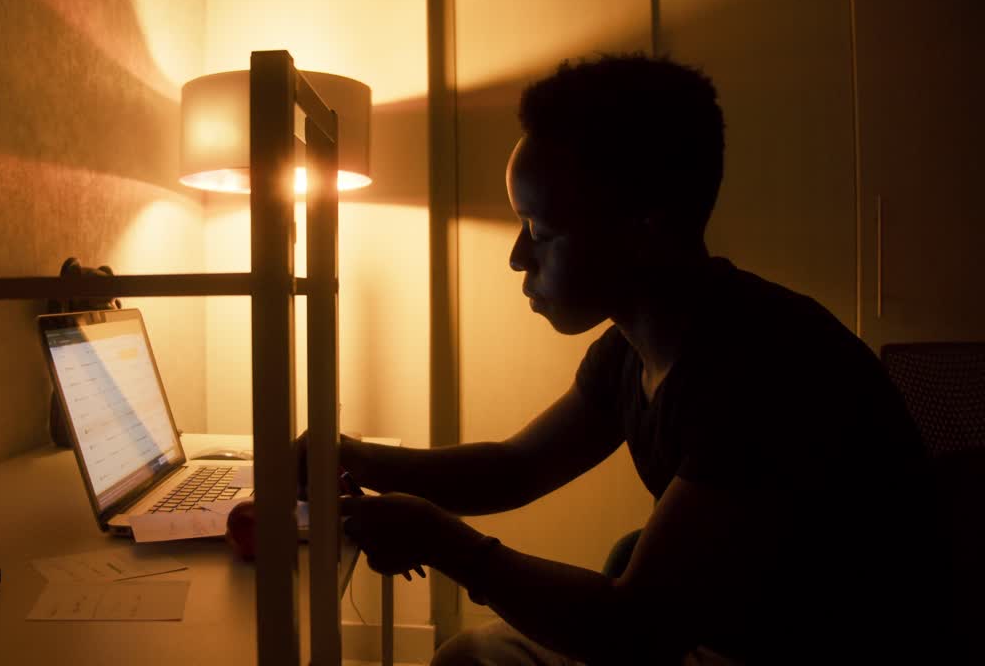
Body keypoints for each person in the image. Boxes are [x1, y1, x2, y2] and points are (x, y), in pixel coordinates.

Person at [305, 54, 960, 664]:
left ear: (644, 229)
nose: (517, 258)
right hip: (721, 625)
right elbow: (514, 468)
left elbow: (634, 629)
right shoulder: (639, 343)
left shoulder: (762, 370)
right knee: (469, 656)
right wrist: (357, 457)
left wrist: (444, 541)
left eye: (541, 231)